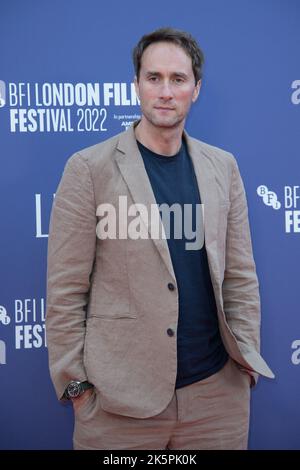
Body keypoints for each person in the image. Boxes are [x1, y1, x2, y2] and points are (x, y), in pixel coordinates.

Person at [46, 27, 274, 450]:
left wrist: (245, 366)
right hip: (119, 406)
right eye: (153, 78)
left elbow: (240, 276)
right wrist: (76, 386)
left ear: (196, 89)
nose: (165, 92)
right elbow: (65, 289)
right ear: (136, 85)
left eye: (178, 79)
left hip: (216, 401)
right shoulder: (88, 169)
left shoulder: (222, 168)